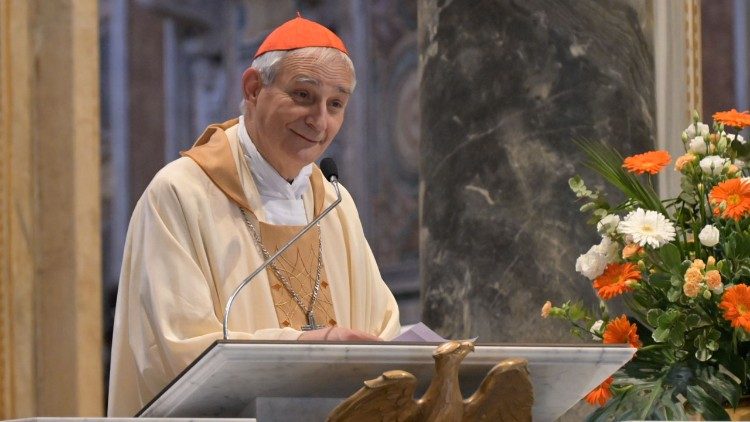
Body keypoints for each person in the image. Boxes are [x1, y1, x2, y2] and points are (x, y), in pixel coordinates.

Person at [107, 15, 401, 416]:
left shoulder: (334, 203)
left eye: (336, 104)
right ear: (253, 89)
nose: (320, 121)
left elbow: (382, 329)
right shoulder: (181, 194)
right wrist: (305, 347)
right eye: (302, 95)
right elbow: (174, 348)